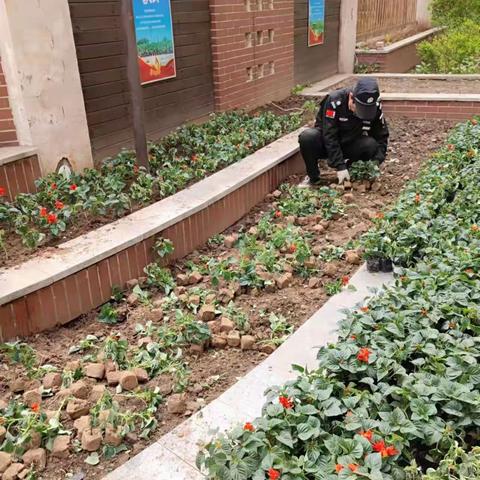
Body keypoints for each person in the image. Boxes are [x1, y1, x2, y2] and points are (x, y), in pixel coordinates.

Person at [298, 77, 389, 186]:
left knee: (370, 144)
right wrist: (340, 166)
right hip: (326, 145)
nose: (361, 114)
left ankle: (352, 173)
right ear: (351, 97)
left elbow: (382, 136)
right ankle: (313, 177)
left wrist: (376, 162)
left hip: (351, 144)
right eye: (359, 109)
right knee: (307, 137)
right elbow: (329, 135)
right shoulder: (334, 101)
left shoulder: (375, 107)